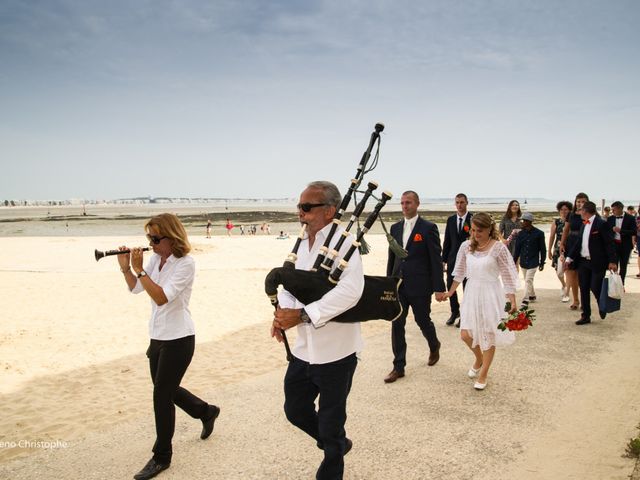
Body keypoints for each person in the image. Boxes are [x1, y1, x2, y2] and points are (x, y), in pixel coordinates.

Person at [271, 181, 364, 480]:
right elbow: (291, 283)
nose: (300, 212)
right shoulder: (302, 242)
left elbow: (352, 291)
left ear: (329, 210)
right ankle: (336, 444)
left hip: (336, 352)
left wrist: (303, 315)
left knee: (330, 420)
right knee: (295, 409)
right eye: (299, 206)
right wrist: (283, 313)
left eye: (307, 207)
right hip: (303, 350)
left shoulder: (345, 244)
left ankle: (332, 459)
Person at [118, 213, 220, 480]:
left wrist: (140, 270)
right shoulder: (154, 260)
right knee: (167, 390)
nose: (150, 243)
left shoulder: (185, 264)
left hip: (180, 338)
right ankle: (206, 411)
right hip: (157, 336)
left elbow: (162, 297)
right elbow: (136, 290)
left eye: (154, 238)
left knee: (161, 396)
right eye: (148, 237)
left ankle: (162, 456)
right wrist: (126, 268)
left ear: (171, 237)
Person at [439, 212, 518, 390]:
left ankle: (483, 374)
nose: (475, 234)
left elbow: (507, 276)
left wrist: (512, 300)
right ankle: (479, 359)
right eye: (473, 230)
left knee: (489, 335)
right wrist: (450, 292)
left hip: (491, 293)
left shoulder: (498, 248)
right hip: (472, 293)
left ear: (490, 229)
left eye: (479, 230)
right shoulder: (466, 246)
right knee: (465, 335)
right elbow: (459, 272)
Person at [384, 191, 445, 384]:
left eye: (408, 202)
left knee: (422, 319)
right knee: (397, 324)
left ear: (417, 204)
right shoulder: (394, 228)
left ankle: (434, 345)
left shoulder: (428, 228)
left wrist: (439, 287)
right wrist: (388, 283)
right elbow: (392, 258)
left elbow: (436, 260)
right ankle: (398, 366)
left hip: (420, 286)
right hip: (399, 286)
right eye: (402, 203)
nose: (404, 206)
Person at [564, 201, 618, 325]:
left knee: (595, 286)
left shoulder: (601, 224)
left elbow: (609, 243)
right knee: (583, 288)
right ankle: (586, 315)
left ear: (586, 211)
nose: (579, 212)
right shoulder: (584, 224)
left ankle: (602, 306)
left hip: (597, 261)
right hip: (583, 261)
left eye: (581, 210)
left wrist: (613, 261)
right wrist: (569, 258)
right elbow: (578, 243)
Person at [442, 193, 473, 327]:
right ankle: (455, 312)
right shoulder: (450, 220)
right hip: (453, 259)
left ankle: (465, 316)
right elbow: (447, 241)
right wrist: (443, 260)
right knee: (450, 287)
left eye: (462, 202)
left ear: (467, 203)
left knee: (467, 289)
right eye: (457, 203)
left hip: (470, 260)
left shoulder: (473, 219)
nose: (460, 205)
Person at [559, 192, 589, 311]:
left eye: (583, 201)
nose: (580, 204)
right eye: (578, 201)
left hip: (585, 245)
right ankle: (575, 300)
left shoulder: (591, 214)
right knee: (571, 274)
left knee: (583, 275)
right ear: (575, 202)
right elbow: (566, 229)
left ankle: (585, 301)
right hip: (571, 244)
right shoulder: (571, 215)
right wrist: (562, 243)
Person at [514, 212, 546, 307]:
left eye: (524, 221)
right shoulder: (520, 234)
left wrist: (542, 262)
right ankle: (532, 295)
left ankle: (525, 300)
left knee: (528, 279)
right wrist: (514, 261)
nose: (522, 222)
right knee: (527, 279)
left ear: (529, 222)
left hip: (534, 261)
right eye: (522, 220)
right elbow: (517, 249)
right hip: (523, 261)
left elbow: (542, 249)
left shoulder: (539, 233)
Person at [548, 201, 572, 302]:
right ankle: (564, 285)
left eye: (566, 209)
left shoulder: (572, 221)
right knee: (559, 272)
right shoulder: (556, 222)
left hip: (569, 248)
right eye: (561, 209)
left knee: (568, 271)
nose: (563, 211)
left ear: (569, 210)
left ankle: (567, 293)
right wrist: (549, 250)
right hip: (558, 248)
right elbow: (552, 236)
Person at [607, 201, 636, 284]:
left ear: (620, 209)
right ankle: (613, 283)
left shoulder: (630, 218)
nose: (612, 212)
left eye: (614, 210)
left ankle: (621, 283)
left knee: (623, 266)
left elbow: (634, 232)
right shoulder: (610, 218)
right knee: (613, 264)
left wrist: (621, 231)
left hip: (625, 245)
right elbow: (607, 232)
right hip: (614, 245)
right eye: (612, 210)